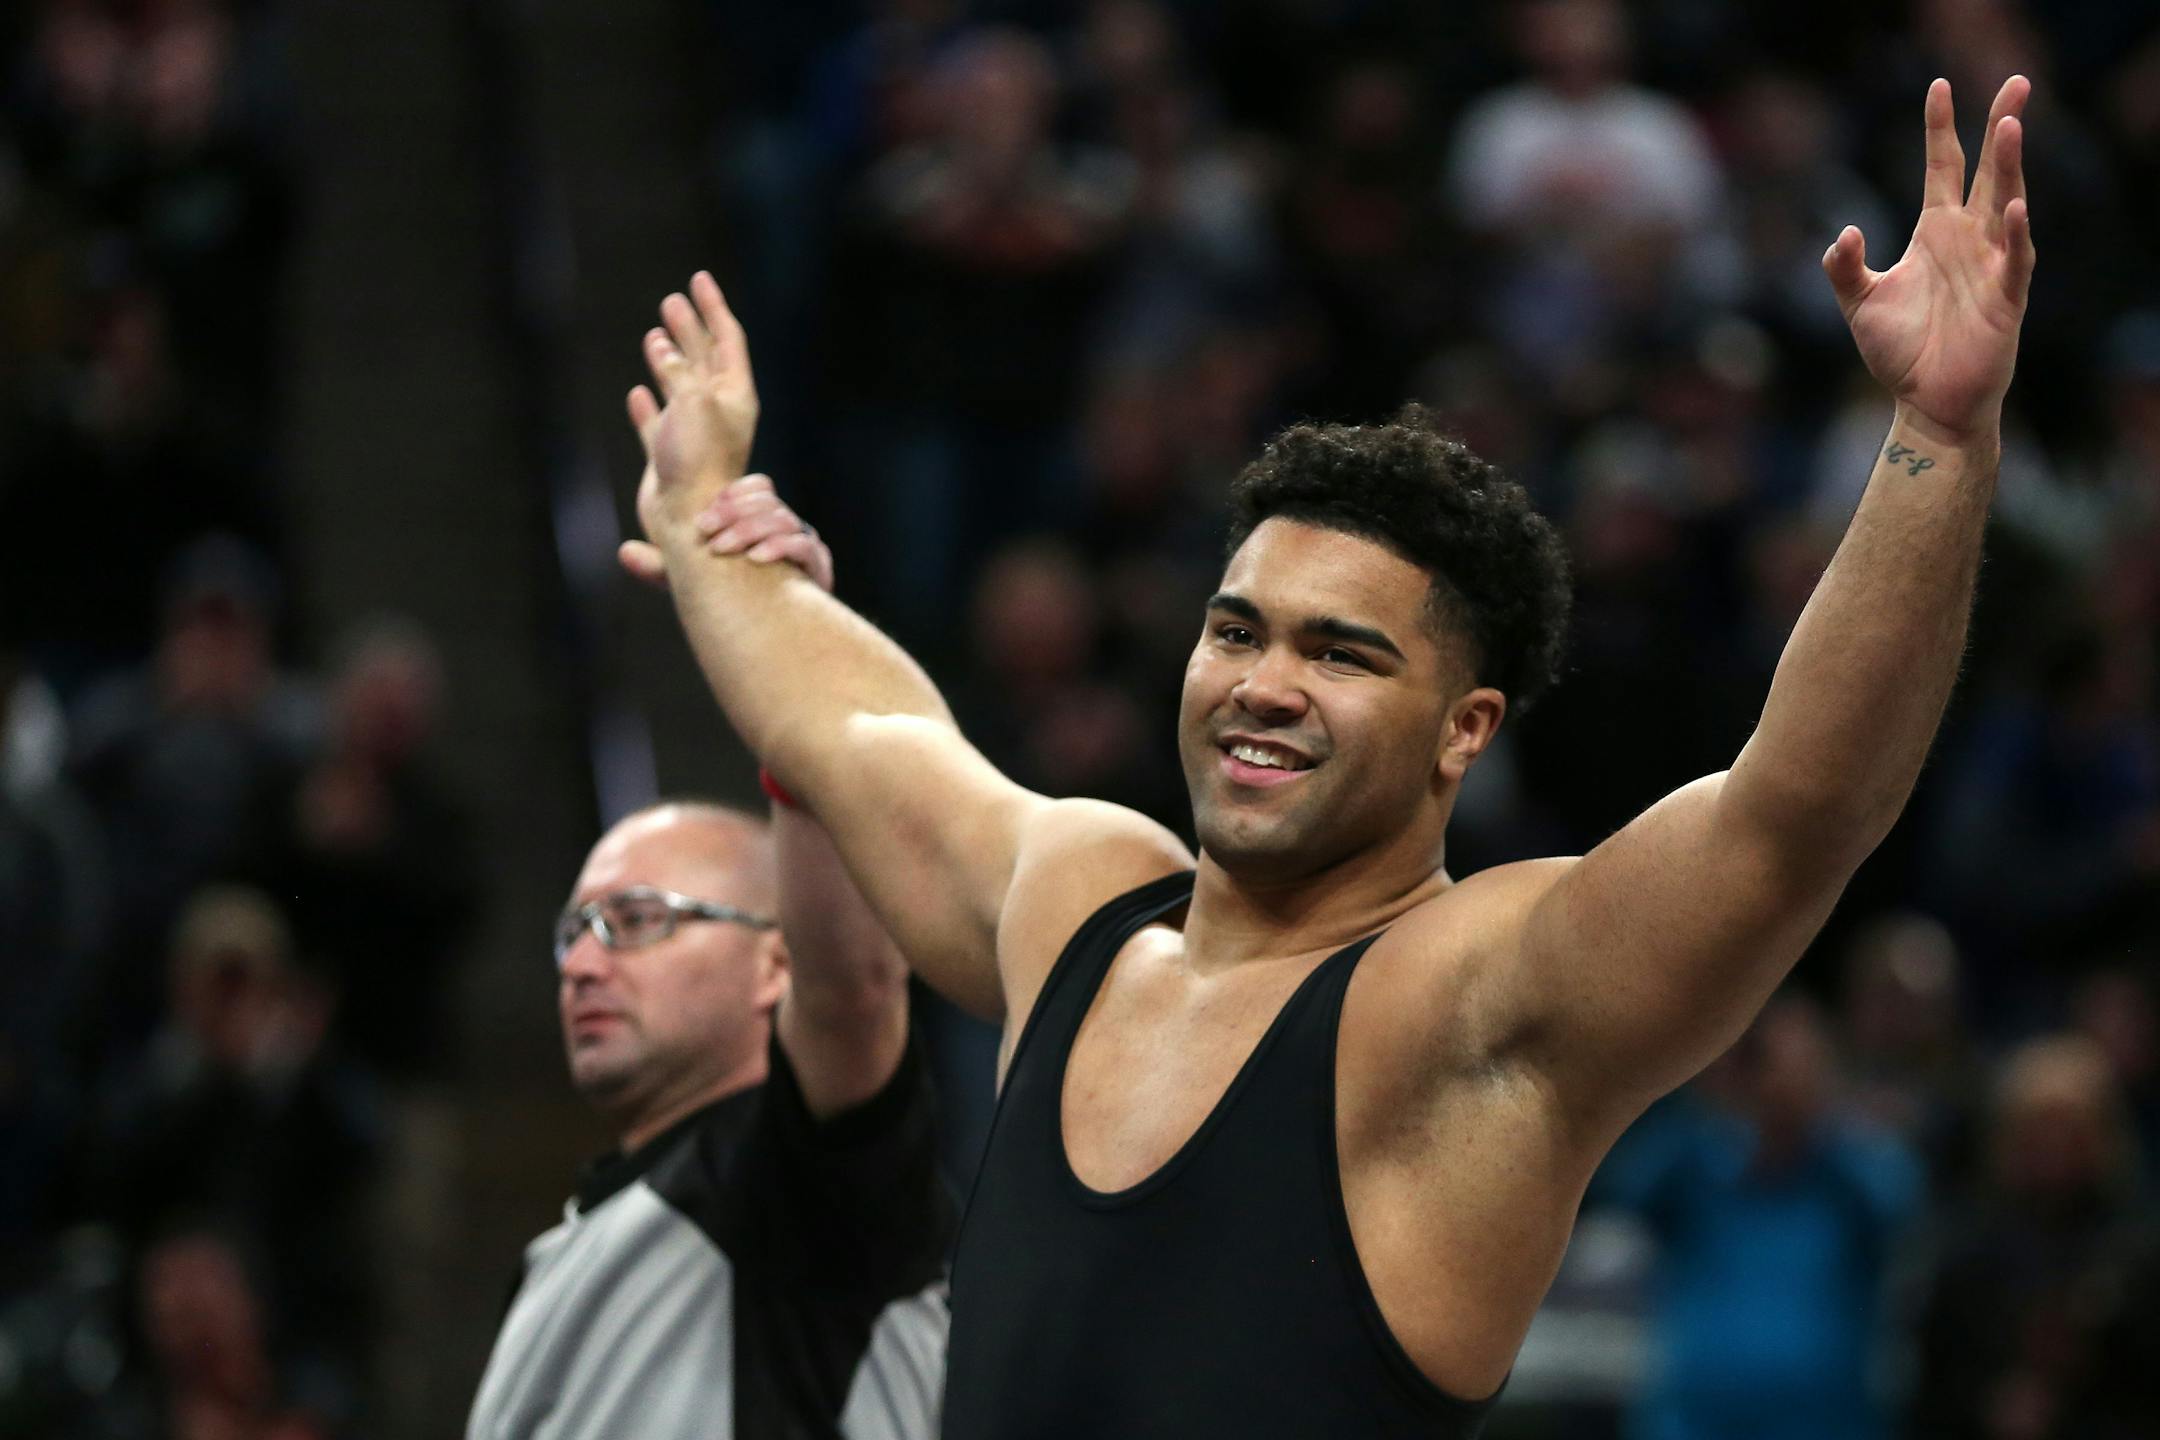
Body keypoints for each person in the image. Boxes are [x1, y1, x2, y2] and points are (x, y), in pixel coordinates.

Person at [621, 74, 2035, 1438]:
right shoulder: (1081, 907)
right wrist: (703, 529)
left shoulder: (1477, 1007)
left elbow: (1793, 815)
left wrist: (1937, 435)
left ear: (1464, 730)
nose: (1266, 687)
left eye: (1341, 654)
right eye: (1239, 632)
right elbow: (857, 729)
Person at [466, 516, 952, 1440]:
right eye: (574, 932)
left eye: (638, 920)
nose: (583, 963)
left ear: (777, 963)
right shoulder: (559, 1255)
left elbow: (853, 987)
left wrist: (791, 647)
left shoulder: (802, 1182)